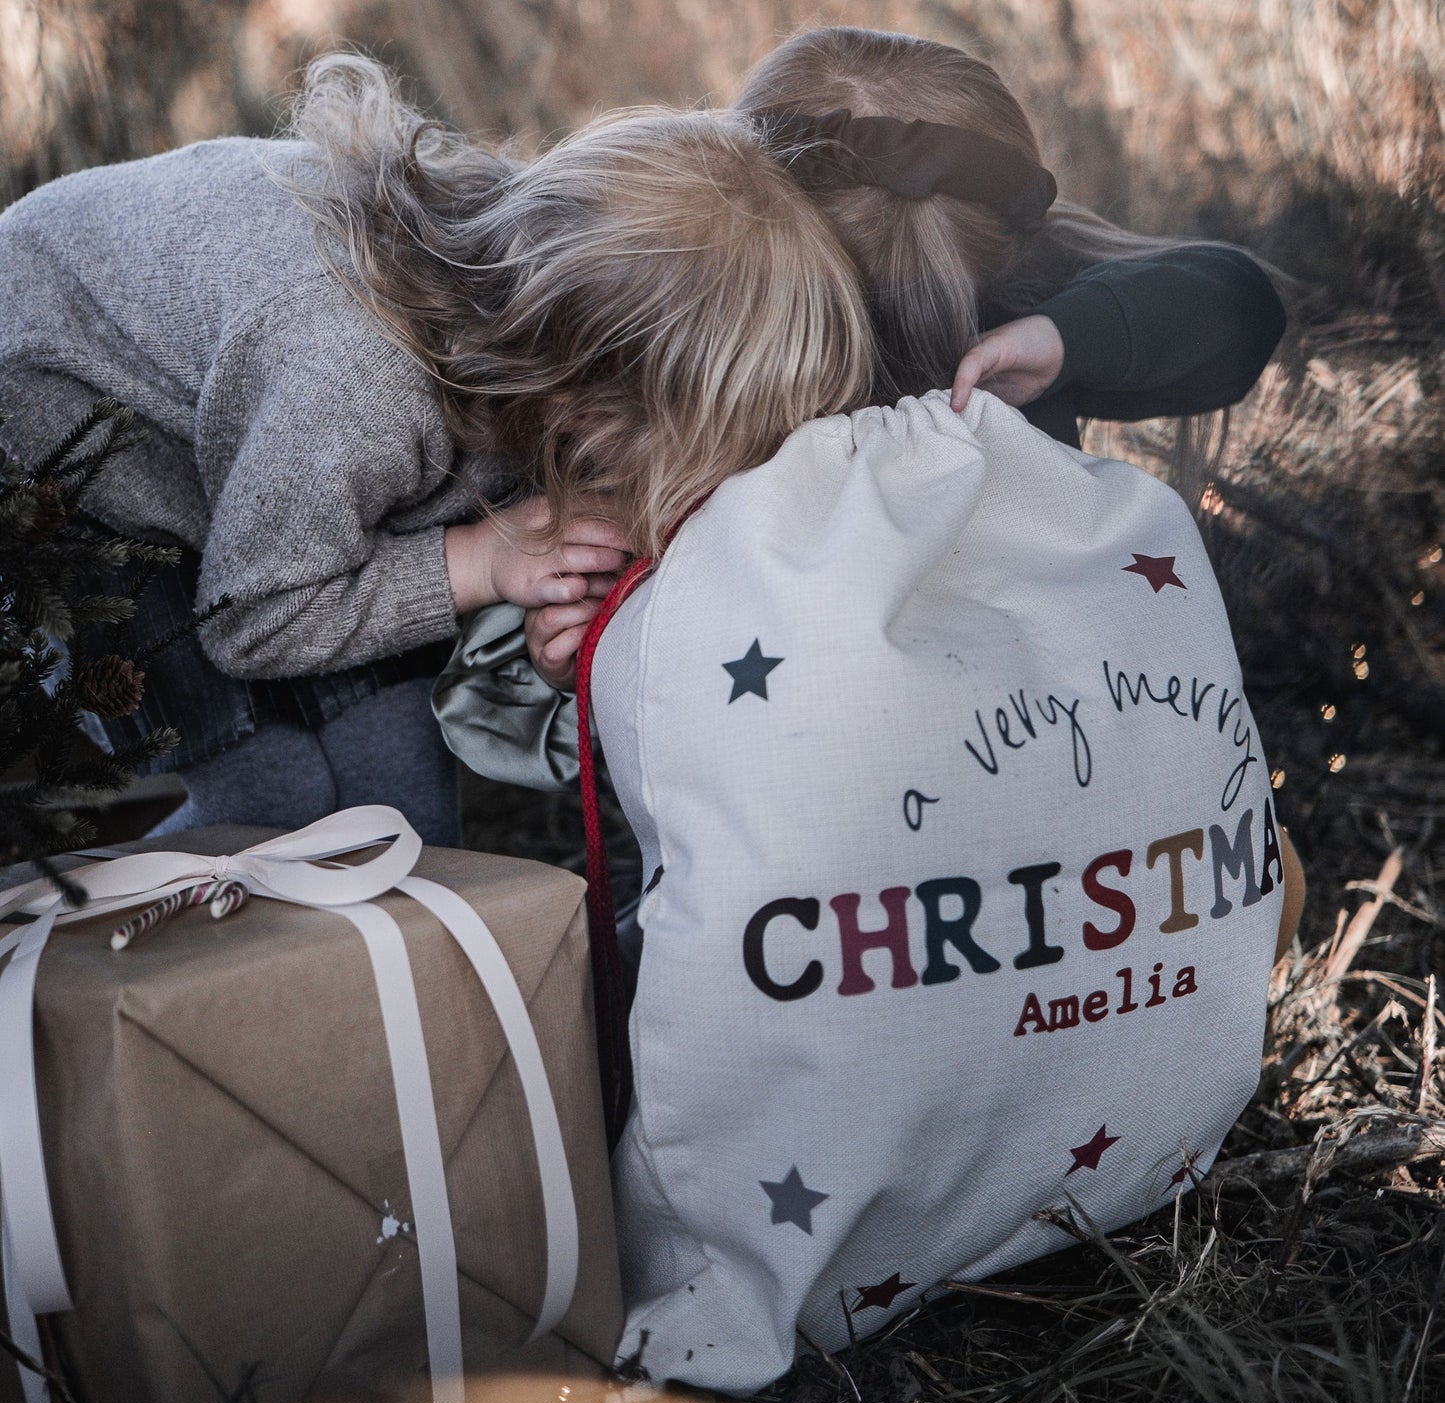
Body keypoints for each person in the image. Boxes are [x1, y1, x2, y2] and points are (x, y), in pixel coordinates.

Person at [0, 56, 873, 844]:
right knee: (274, 800)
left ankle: (402, 982)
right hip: (69, 455)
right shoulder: (355, 373)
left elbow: (488, 543)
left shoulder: (537, 320)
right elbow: (250, 617)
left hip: (281, 474)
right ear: (593, 379)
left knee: (396, 782)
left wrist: (548, 631)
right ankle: (140, 976)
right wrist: (484, 560)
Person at [439, 25, 1290, 787]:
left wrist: (563, 672)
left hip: (837, 842)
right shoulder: (1024, 295)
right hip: (1041, 763)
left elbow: (1234, 304)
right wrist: (1072, 338)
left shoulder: (701, 381)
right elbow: (1244, 303)